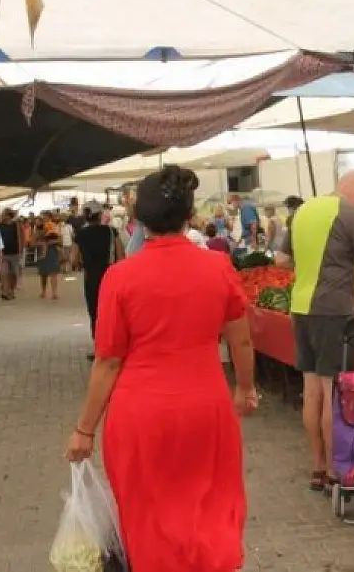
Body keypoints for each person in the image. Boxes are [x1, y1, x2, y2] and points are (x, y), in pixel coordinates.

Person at [65, 165, 257, 572]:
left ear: (137, 219)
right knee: (212, 506)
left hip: (141, 416)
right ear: (189, 216)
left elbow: (109, 360)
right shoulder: (218, 267)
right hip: (207, 409)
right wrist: (245, 388)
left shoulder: (120, 277)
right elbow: (241, 339)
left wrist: (85, 429)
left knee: (148, 515)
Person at [275, 170, 354, 492]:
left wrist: (311, 270)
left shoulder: (303, 211)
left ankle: (318, 467)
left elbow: (280, 260)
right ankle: (336, 470)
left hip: (301, 309)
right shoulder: (351, 215)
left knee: (312, 388)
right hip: (333, 312)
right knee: (333, 389)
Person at [72, 202, 125, 354]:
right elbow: (121, 256)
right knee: (113, 311)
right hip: (111, 275)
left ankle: (99, 348)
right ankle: (116, 345)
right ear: (100, 215)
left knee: (95, 312)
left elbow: (73, 259)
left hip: (91, 277)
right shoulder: (111, 231)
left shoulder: (80, 234)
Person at [0, 209, 23, 299]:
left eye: (4, 214)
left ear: (9, 215)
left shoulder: (16, 225)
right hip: (3, 253)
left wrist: (20, 251)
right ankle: (5, 292)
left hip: (14, 252)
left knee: (13, 274)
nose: (2, 216)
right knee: (4, 273)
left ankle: (11, 290)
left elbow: (19, 238)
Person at [37, 212, 62, 300]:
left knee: (53, 273)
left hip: (52, 251)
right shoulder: (39, 228)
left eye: (45, 217)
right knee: (43, 274)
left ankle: (54, 293)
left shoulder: (55, 226)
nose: (44, 218)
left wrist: (51, 242)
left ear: (49, 217)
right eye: (43, 217)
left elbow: (59, 239)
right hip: (42, 250)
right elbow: (35, 240)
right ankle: (43, 291)